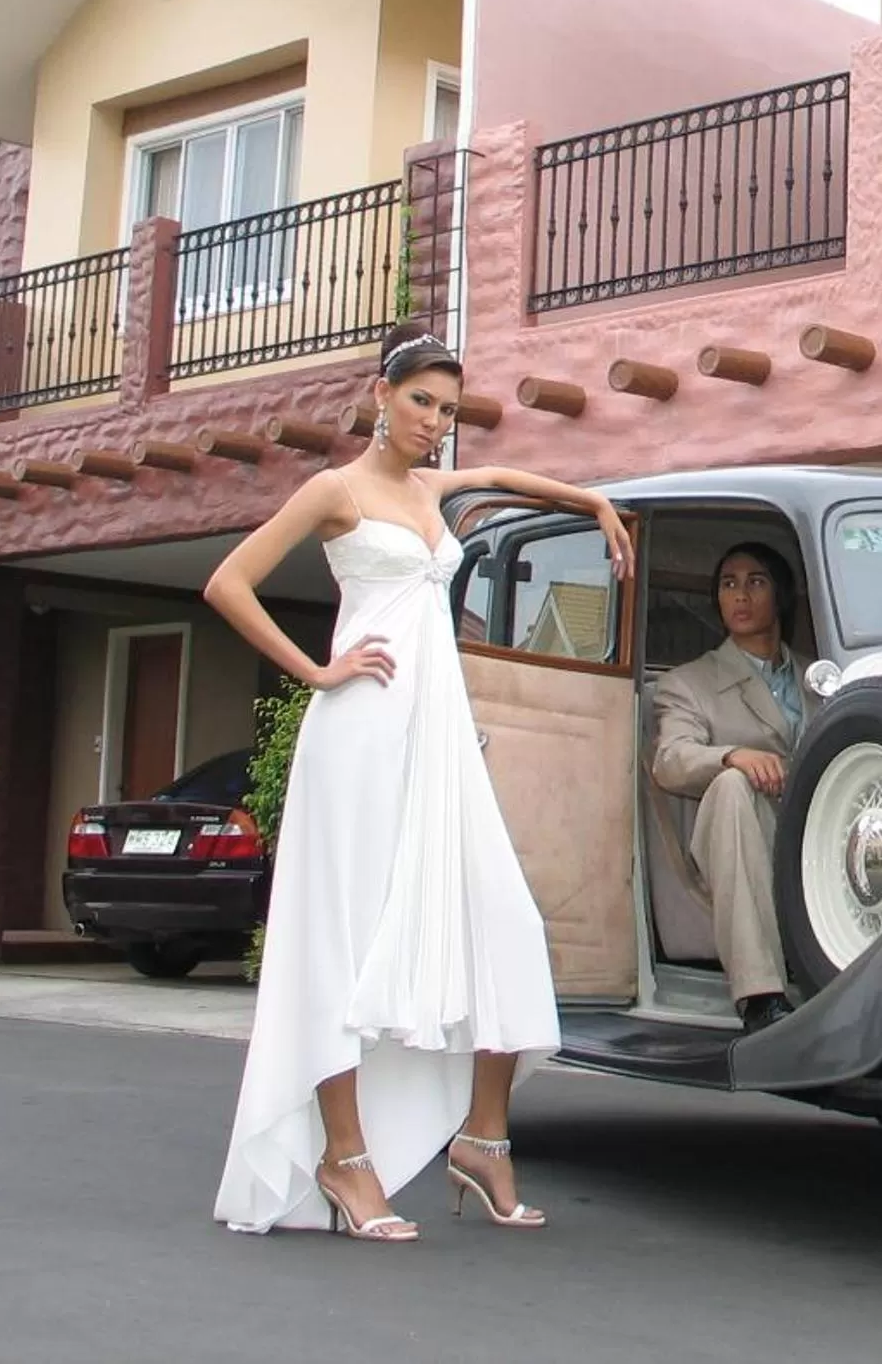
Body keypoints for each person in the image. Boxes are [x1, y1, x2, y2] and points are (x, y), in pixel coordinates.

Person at [204, 321, 632, 1242]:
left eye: (447, 408)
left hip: (437, 740)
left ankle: (483, 1138)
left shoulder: (436, 486)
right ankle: (344, 1160)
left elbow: (507, 480)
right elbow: (228, 583)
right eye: (420, 401)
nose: (434, 421)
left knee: (502, 922)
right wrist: (317, 671)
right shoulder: (334, 489)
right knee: (343, 937)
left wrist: (592, 501)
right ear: (381, 396)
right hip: (359, 734)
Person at [650, 543, 822, 1031]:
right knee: (730, 787)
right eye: (729, 584)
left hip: (823, 839)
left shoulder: (821, 678)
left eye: (756, 581)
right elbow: (670, 760)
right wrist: (733, 756)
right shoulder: (689, 683)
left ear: (782, 596)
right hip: (741, 842)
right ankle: (761, 996)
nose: (740, 595)